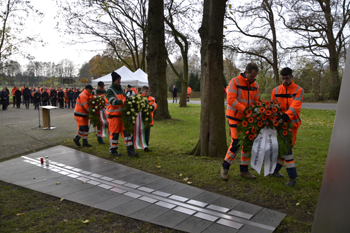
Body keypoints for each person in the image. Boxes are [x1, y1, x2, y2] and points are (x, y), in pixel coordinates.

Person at [220, 62, 260, 181]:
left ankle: (244, 170)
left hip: (248, 119)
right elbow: (231, 99)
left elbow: (256, 100)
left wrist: (257, 110)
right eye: (252, 76)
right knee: (236, 142)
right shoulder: (235, 81)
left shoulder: (255, 85)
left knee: (247, 143)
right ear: (246, 72)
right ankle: (225, 167)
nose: (253, 79)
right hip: (234, 117)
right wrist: (246, 109)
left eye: (255, 76)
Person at [271, 67, 304, 187]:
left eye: (287, 78)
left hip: (292, 125)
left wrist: (283, 119)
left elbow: (295, 107)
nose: (284, 81)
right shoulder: (275, 91)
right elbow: (272, 107)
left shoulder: (299, 90)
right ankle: (290, 176)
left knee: (287, 148)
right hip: (279, 125)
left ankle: (286, 175)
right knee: (285, 149)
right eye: (283, 78)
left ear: (292, 77)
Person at [105, 72, 138, 157]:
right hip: (114, 117)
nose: (119, 81)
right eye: (118, 80)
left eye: (120, 80)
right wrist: (124, 102)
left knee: (126, 133)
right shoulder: (110, 91)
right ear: (114, 81)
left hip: (122, 116)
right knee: (115, 134)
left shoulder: (122, 90)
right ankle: (113, 150)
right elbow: (112, 102)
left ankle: (130, 151)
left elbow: (126, 98)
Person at [140, 86, 157, 152]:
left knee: (147, 134)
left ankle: (146, 147)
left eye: (148, 91)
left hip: (148, 120)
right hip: (140, 120)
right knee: (137, 133)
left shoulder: (151, 98)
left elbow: (154, 105)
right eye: (145, 91)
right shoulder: (138, 97)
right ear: (142, 91)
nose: (147, 93)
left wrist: (152, 107)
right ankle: (133, 145)